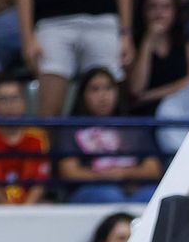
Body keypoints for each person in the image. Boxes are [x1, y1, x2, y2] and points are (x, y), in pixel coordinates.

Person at [15, 0, 133, 118]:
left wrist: (126, 33)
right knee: (49, 114)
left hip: (102, 21)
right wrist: (28, 38)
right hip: (53, 23)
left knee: (110, 110)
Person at [56, 67, 162, 204]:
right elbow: (69, 172)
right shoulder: (71, 128)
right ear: (83, 95)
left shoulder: (133, 127)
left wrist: (123, 173)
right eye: (95, 89)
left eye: (108, 88)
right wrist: (104, 176)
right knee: (110, 195)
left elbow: (153, 169)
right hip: (92, 189)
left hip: (133, 188)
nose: (103, 96)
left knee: (154, 195)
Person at [0, 76, 52, 205]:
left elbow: (40, 181)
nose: (10, 105)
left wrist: (26, 209)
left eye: (15, 99)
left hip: (32, 204)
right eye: (3, 99)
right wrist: (9, 210)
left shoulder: (38, 136)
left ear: (24, 103)